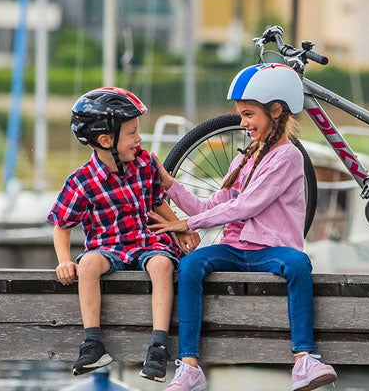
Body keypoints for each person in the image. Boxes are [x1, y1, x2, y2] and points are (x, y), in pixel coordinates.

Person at [152, 64, 337, 391]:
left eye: (249, 114)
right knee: (192, 264)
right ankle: (190, 366)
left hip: (273, 250)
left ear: (276, 110)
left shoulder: (288, 156)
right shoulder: (244, 158)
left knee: (298, 264)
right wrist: (170, 185)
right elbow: (213, 206)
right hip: (235, 249)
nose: (243, 123)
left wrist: (187, 223)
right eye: (240, 114)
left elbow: (248, 204)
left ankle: (304, 359)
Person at [49, 87, 200, 382]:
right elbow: (62, 225)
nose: (139, 139)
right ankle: (92, 343)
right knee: (88, 265)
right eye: (131, 133)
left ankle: (158, 345)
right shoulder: (81, 181)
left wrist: (180, 229)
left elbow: (157, 201)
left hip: (147, 241)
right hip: (109, 246)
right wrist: (65, 260)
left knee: (162, 265)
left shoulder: (144, 164)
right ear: (106, 140)